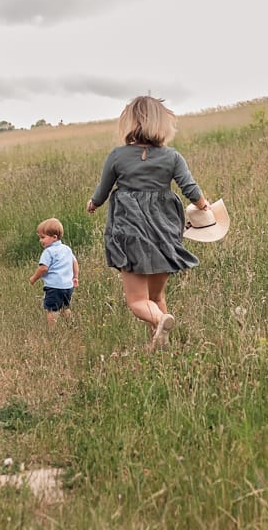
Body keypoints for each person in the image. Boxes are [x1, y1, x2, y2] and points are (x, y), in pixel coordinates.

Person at [86, 95, 209, 351]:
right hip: (164, 234)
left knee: (137, 301)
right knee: (156, 296)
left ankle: (160, 320)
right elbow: (190, 189)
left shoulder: (118, 156)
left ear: (130, 122)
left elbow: (103, 189)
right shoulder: (172, 157)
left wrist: (94, 204)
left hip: (129, 234)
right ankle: (160, 347)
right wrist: (204, 208)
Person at [29, 218, 80, 326]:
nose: (40, 240)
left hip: (54, 286)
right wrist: (75, 277)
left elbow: (43, 268)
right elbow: (74, 263)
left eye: (43, 237)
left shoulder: (48, 252)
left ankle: (52, 331)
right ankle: (71, 325)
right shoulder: (66, 249)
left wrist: (34, 278)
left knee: (52, 309)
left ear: (54, 237)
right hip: (67, 286)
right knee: (65, 307)